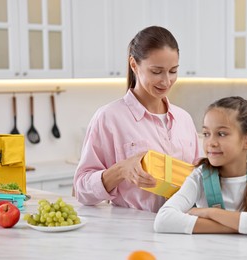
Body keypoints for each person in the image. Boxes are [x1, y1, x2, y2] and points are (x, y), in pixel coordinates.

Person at [74, 26, 201, 212]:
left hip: (181, 227)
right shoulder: (109, 118)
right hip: (133, 233)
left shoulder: (184, 119)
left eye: (173, 71)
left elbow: (197, 181)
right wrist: (121, 170)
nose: (166, 81)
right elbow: (81, 190)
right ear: (134, 65)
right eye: (156, 72)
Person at [154, 96, 247, 239]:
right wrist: (244, 221)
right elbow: (163, 220)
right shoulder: (200, 176)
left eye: (222, 134)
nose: (211, 142)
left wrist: (209, 213)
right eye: (206, 134)